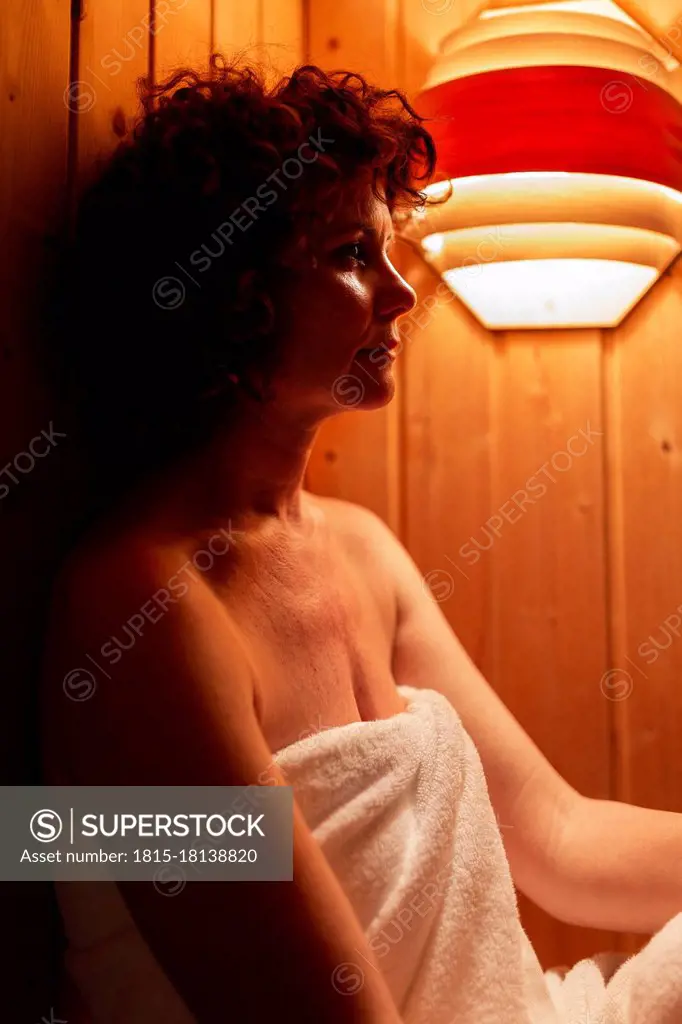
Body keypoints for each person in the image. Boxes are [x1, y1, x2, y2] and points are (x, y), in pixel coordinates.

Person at [39, 53, 582, 1023]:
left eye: (388, 251)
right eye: (347, 255)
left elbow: (560, 838)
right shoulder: (137, 606)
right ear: (228, 295)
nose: (402, 296)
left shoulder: (362, 548)